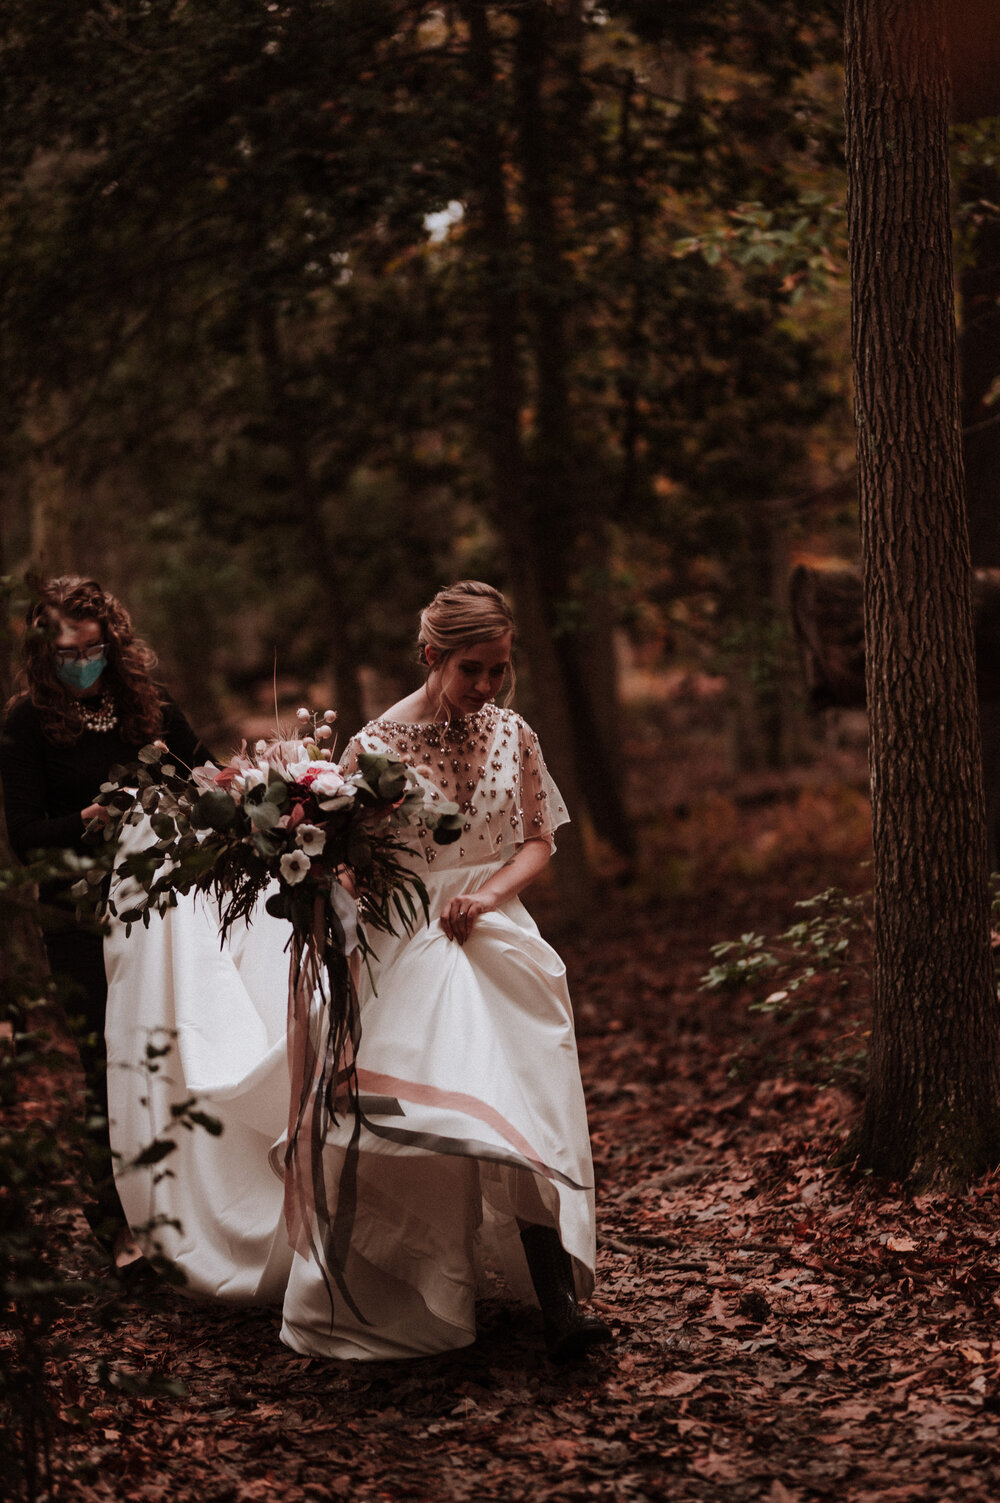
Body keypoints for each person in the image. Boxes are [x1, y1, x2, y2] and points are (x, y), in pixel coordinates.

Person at [279, 580, 613, 1361]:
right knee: (437, 1113)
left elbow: (537, 837)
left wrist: (487, 896)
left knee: (525, 1093)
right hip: (407, 938)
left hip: (495, 931)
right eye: (473, 669)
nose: (488, 686)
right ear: (432, 656)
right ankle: (414, 1284)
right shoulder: (372, 748)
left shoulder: (515, 733)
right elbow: (350, 863)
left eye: (499, 669)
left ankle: (556, 1298)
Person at [0, 575, 210, 1269]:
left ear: (112, 643)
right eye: (66, 653)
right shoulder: (26, 722)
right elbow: (27, 833)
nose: (81, 662)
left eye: (92, 649)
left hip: (157, 911)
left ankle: (183, 1211)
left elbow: (201, 770)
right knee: (104, 1060)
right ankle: (113, 1223)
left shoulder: (147, 704)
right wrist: (89, 819)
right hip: (77, 914)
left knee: (170, 1049)